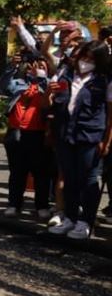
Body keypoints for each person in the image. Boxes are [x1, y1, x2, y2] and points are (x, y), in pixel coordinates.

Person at [47, 41, 107, 240]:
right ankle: (70, 218)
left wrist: (106, 140)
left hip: (89, 136)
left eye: (91, 59)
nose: (85, 62)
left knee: (87, 180)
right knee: (70, 179)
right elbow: (49, 103)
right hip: (66, 134)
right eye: (83, 57)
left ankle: (86, 222)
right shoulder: (65, 75)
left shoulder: (103, 80)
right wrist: (50, 93)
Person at [0, 52, 53, 219]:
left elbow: (51, 96)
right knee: (17, 172)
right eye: (34, 66)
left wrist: (42, 77)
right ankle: (14, 204)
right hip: (16, 133)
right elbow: (4, 85)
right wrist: (12, 67)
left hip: (38, 134)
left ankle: (42, 206)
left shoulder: (48, 85)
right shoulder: (19, 83)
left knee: (41, 172)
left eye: (42, 66)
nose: (36, 68)